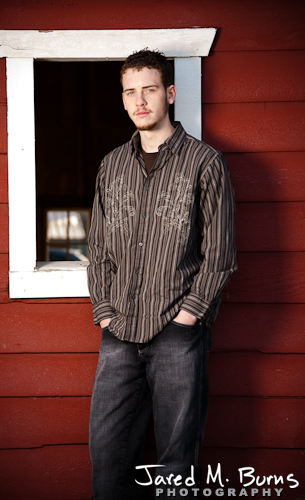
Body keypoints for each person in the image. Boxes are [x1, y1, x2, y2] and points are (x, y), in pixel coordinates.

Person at [87, 49, 237, 500]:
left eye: (149, 89)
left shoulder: (204, 163)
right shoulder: (111, 166)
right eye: (130, 92)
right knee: (108, 452)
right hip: (120, 329)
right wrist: (105, 311)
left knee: (176, 459)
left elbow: (221, 253)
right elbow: (97, 248)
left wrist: (189, 316)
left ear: (169, 94)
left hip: (177, 329)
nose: (140, 101)